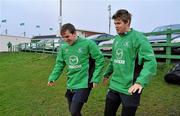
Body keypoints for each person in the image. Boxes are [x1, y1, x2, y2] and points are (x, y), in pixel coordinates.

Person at [103, 9, 157, 116]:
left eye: (118, 23)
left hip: (130, 88)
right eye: (115, 23)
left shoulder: (139, 38)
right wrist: (107, 73)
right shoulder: (117, 39)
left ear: (127, 22)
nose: (116, 26)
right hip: (114, 86)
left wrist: (140, 82)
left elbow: (150, 62)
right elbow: (114, 59)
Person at [47, 23, 104, 116]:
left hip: (84, 83)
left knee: (74, 111)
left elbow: (100, 59)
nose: (66, 40)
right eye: (63, 37)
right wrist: (53, 77)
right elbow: (59, 64)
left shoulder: (88, 44)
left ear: (74, 33)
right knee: (73, 112)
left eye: (67, 36)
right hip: (71, 83)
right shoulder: (63, 48)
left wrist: (95, 77)